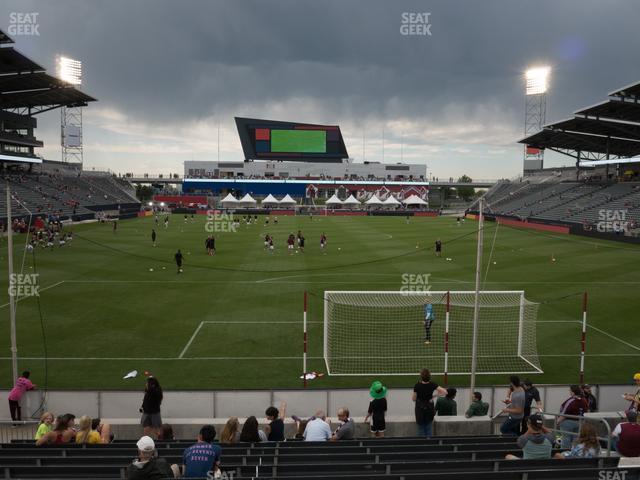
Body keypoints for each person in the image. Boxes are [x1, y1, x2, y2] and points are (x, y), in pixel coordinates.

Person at [412, 368, 448, 438]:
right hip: (429, 408)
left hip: (420, 409)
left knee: (420, 428)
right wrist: (433, 396)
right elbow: (445, 392)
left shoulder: (417, 385)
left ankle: (422, 446)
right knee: (428, 427)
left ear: (421, 376)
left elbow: (413, 399)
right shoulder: (432, 384)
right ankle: (429, 444)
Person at [558, 385, 589, 449]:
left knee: (566, 438)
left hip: (568, 422)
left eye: (570, 391)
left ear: (573, 392)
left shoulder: (571, 400)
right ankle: (575, 453)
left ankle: (564, 453)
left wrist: (558, 421)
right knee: (576, 438)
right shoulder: (584, 400)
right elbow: (586, 411)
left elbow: (564, 414)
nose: (569, 392)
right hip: (579, 422)